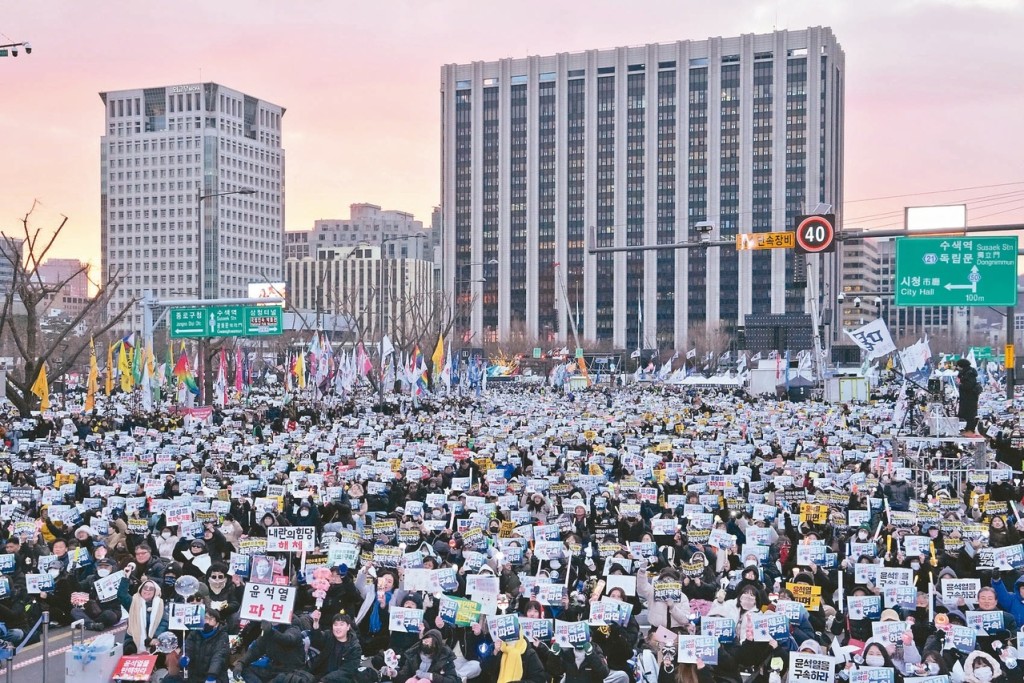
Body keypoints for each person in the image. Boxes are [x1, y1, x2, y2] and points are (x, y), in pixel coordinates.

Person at [309, 612, 363, 683]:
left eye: (341, 624)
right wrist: (316, 624)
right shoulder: (328, 635)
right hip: (321, 674)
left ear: (348, 627)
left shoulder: (354, 647)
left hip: (340, 679)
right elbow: (317, 641)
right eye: (335, 624)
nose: (338, 628)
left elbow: (346, 670)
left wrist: (324, 680)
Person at [180, 607, 230, 683]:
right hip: (194, 674)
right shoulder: (194, 632)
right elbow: (188, 648)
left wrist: (212, 675)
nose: (207, 621)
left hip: (215, 676)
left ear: (217, 623)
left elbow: (219, 656)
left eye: (211, 619)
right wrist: (185, 658)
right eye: (205, 618)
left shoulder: (222, 635)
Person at [123, 580, 168, 655]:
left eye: (151, 589)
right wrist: (126, 578)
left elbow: (164, 623)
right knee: (129, 649)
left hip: (154, 639)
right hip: (133, 638)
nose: (147, 590)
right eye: (145, 587)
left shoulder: (160, 605)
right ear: (140, 589)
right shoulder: (133, 601)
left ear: (155, 592)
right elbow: (122, 595)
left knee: (158, 650)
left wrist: (155, 637)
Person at [957, 358, 982, 436]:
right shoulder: (966, 373)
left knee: (970, 415)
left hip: (969, 399)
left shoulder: (969, 374)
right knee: (964, 415)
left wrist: (961, 385)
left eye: (958, 366)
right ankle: (966, 429)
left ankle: (970, 430)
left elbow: (968, 386)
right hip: (966, 399)